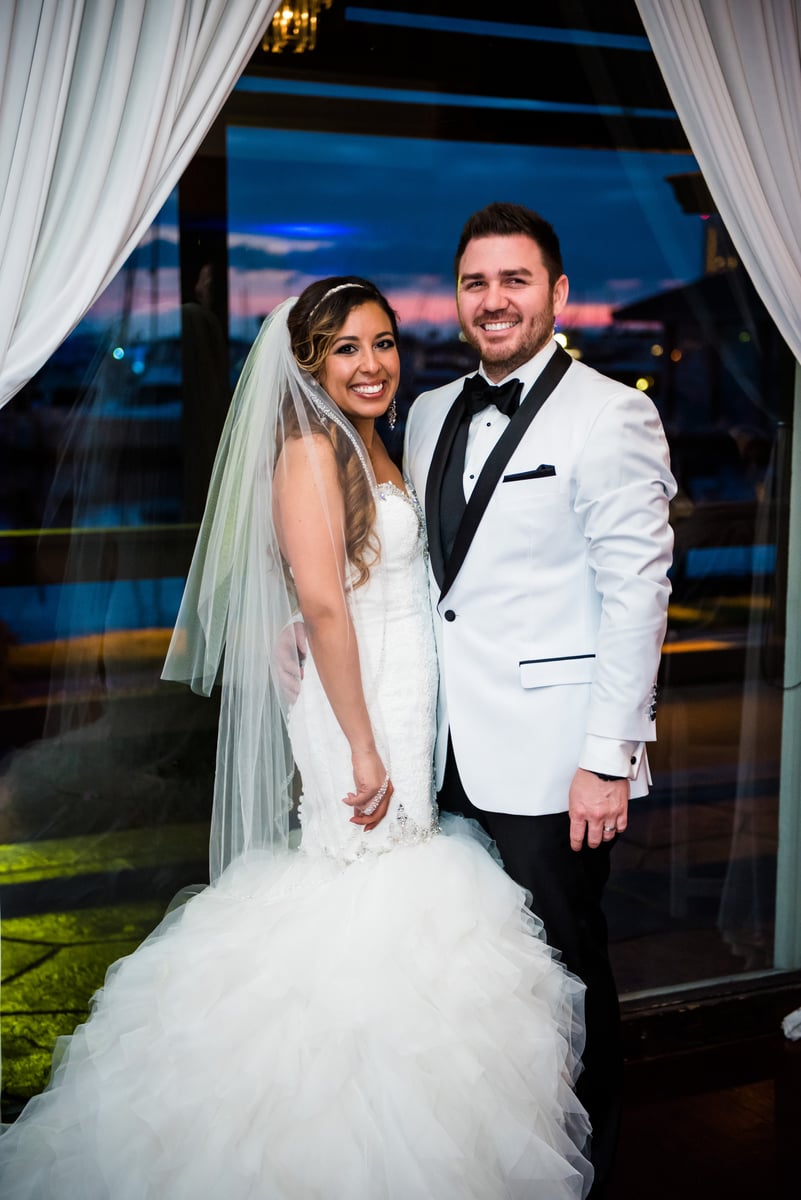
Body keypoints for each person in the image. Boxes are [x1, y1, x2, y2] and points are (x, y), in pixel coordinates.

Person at [0, 276, 593, 1199]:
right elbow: (322, 601)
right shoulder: (311, 450)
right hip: (361, 713)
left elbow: (354, 583)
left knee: (390, 895)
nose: (371, 363)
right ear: (309, 363)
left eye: (383, 342)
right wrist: (361, 744)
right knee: (364, 887)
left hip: (393, 698)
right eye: (346, 347)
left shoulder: (372, 441)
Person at [404, 203, 676, 1196]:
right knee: (471, 977)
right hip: (439, 751)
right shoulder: (427, 411)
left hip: (556, 761)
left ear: (557, 293)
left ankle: (586, 1166)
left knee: (565, 972)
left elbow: (638, 593)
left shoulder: (611, 413)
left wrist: (608, 757)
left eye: (515, 280)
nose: (494, 300)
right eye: (475, 282)